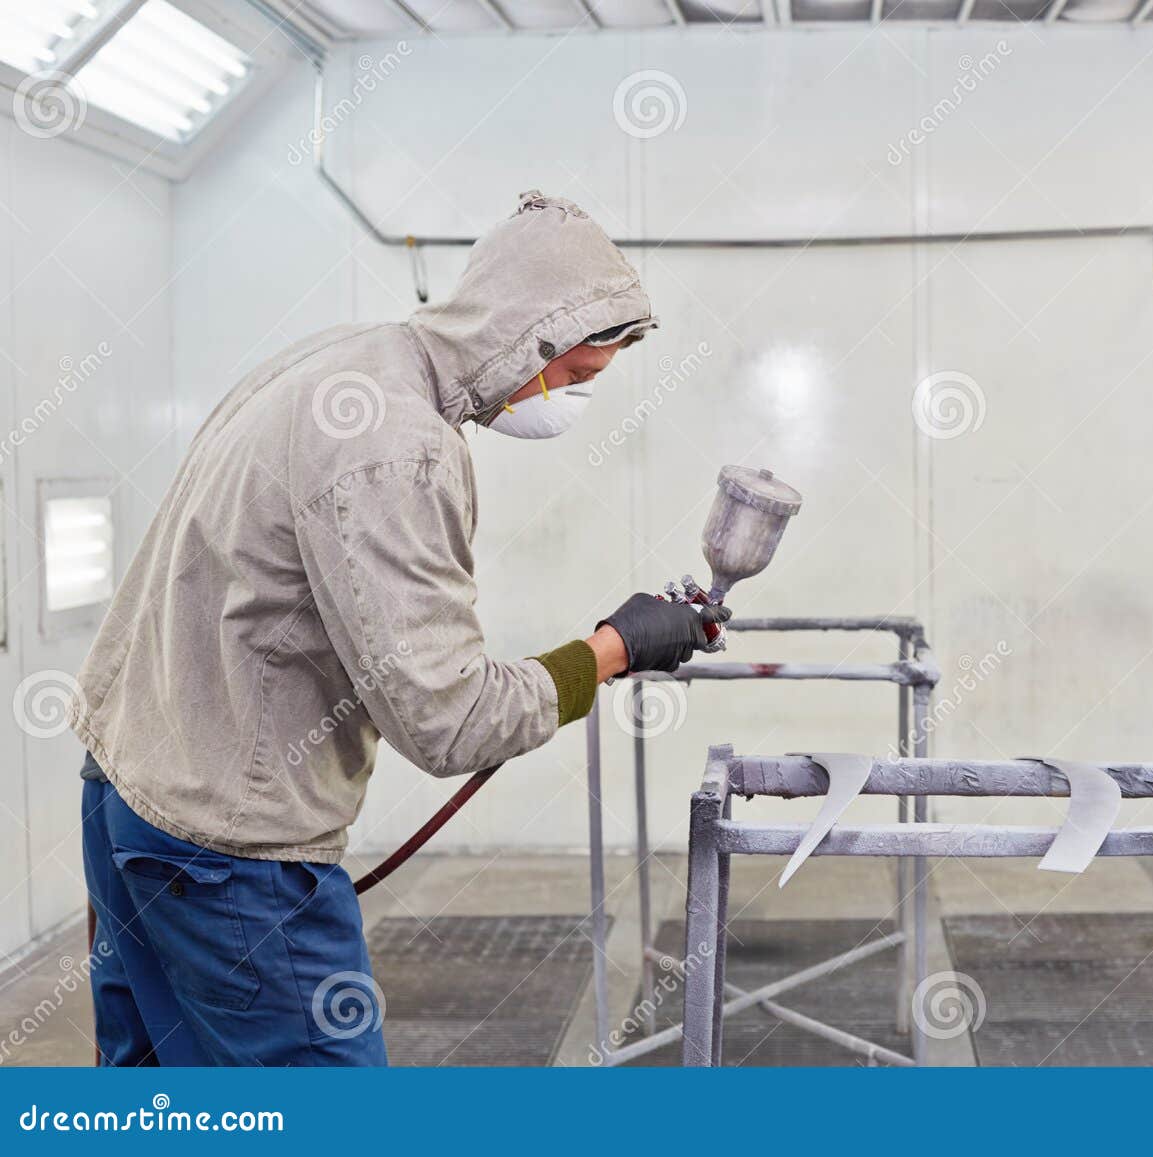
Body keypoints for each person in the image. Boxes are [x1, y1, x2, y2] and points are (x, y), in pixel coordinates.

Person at [68, 191, 725, 1066]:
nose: (572, 401)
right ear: (526, 338)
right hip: (228, 852)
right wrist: (613, 648)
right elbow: (450, 720)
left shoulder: (343, 360)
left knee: (153, 1102)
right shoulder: (396, 446)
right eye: (574, 377)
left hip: (128, 790)